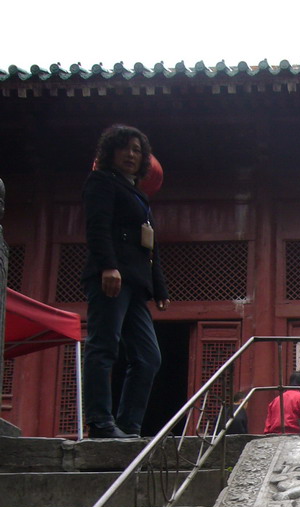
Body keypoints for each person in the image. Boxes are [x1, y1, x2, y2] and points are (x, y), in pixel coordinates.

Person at [81, 124, 169, 439]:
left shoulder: (138, 194)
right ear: (110, 152)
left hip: (136, 283)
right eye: (125, 148)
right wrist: (107, 266)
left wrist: (158, 286)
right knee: (103, 346)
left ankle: (129, 424)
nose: (131, 155)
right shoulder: (101, 182)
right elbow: (98, 226)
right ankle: (100, 422)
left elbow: (150, 244)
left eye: (137, 149)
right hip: (111, 278)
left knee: (148, 356)